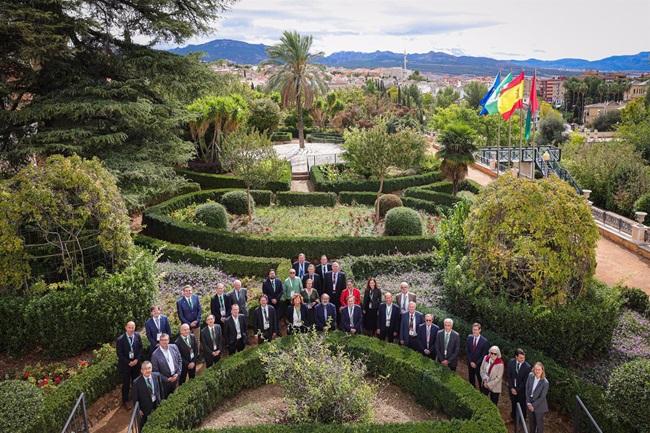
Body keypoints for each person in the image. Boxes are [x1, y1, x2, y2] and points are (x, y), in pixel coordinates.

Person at [116, 321, 143, 409]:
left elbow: (140, 348)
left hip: (136, 364)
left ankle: (136, 398)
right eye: (129, 327)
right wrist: (128, 362)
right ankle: (125, 401)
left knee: (136, 382)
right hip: (126, 366)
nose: (131, 329)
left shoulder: (137, 336)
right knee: (126, 383)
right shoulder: (120, 339)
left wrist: (137, 359)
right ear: (126, 328)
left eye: (133, 327)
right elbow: (119, 354)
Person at [132, 361, 166, 428]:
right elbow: (135, 398)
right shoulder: (136, 382)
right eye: (145, 369)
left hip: (157, 403)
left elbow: (161, 390)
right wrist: (138, 410)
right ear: (141, 370)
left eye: (149, 368)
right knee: (145, 424)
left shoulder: (157, 376)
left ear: (152, 368)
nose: (147, 370)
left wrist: (163, 401)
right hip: (145, 408)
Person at [508, 348, 532, 423]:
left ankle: (522, 421)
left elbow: (525, 382)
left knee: (522, 406)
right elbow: (509, 376)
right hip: (512, 389)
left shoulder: (527, 367)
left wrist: (517, 390)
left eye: (524, 357)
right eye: (521, 358)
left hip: (521, 391)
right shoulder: (511, 362)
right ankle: (513, 418)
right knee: (513, 403)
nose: (523, 359)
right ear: (516, 357)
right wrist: (512, 388)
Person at [526, 362, 549, 433]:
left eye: (539, 369)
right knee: (531, 424)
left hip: (539, 406)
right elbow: (527, 389)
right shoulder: (530, 375)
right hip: (530, 404)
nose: (537, 371)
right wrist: (528, 402)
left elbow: (542, 397)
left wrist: (533, 405)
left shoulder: (545, 382)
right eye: (536, 369)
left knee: (539, 425)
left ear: (542, 370)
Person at [176, 285, 201, 350]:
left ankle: (197, 354)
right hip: (186, 327)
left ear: (192, 291)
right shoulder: (179, 302)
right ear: (183, 292)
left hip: (196, 324)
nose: (188, 292)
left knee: (197, 340)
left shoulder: (196, 298)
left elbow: (199, 310)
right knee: (188, 342)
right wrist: (189, 324)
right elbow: (181, 316)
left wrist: (197, 320)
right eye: (186, 291)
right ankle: (190, 356)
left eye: (190, 290)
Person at [466, 323, 490, 389]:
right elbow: (467, 351)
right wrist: (470, 362)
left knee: (480, 380)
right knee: (471, 377)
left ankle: (481, 392)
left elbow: (484, 355)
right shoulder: (469, 337)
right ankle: (472, 389)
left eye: (476, 330)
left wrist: (476, 363)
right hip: (470, 363)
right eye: (473, 329)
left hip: (479, 365)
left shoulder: (485, 341)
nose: (474, 331)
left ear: (480, 330)